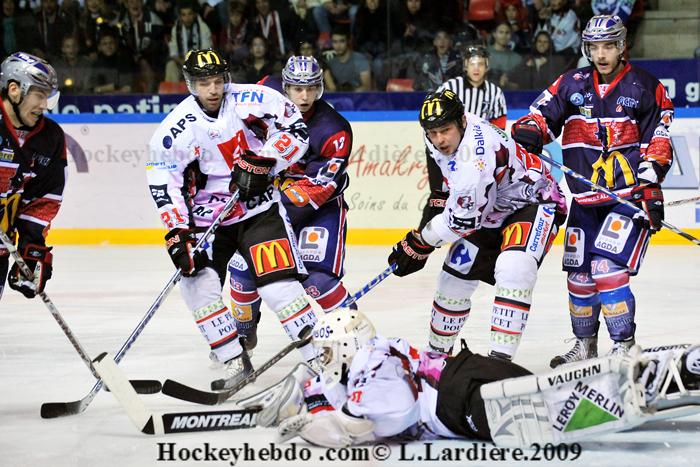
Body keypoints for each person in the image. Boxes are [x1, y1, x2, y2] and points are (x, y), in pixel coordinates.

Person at [237, 309, 700, 448]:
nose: (324, 359)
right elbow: (321, 389)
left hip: (461, 401)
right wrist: (302, 397)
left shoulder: (368, 367)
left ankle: (664, 376)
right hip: (471, 374)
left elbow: (376, 423)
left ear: (344, 345)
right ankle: (677, 368)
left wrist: (308, 423)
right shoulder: (374, 352)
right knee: (575, 396)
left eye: (326, 350)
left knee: (559, 413)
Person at [146, 48, 317, 390]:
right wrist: (177, 233)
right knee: (197, 285)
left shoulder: (255, 99)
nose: (212, 89)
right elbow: (164, 183)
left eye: (217, 81)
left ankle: (319, 357)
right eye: (203, 83)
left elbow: (296, 130)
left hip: (258, 210)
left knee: (279, 288)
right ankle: (234, 360)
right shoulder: (173, 131)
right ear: (190, 85)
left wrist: (265, 160)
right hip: (207, 220)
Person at [511, 15, 674, 367]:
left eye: (609, 46)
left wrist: (650, 186)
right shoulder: (572, 83)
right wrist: (532, 129)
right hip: (584, 202)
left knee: (606, 268)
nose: (601, 54)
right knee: (580, 277)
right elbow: (541, 114)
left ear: (622, 46)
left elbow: (659, 140)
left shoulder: (645, 86)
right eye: (595, 47)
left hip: (626, 199)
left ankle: (623, 346)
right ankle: (585, 346)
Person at [388, 89, 567, 361]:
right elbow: (445, 189)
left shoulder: (474, 161)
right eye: (433, 133)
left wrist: (422, 241)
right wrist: (423, 238)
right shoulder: (442, 134)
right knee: (453, 279)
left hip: (533, 201)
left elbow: (461, 222)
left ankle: (499, 362)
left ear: (462, 121)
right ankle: (436, 360)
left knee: (514, 267)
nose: (439, 139)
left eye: (445, 131)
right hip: (489, 205)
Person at [228, 55, 354, 349]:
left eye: (311, 89)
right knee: (242, 273)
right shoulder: (264, 94)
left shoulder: (334, 130)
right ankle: (243, 336)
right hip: (268, 204)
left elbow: (318, 189)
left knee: (317, 279)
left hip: (317, 210)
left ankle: (354, 339)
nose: (304, 96)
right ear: (285, 87)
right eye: (297, 89)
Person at [0, 52, 65, 301]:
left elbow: (43, 200)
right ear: (14, 90)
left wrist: (31, 249)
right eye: (39, 95)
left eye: (47, 96)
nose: (44, 105)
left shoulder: (50, 138)